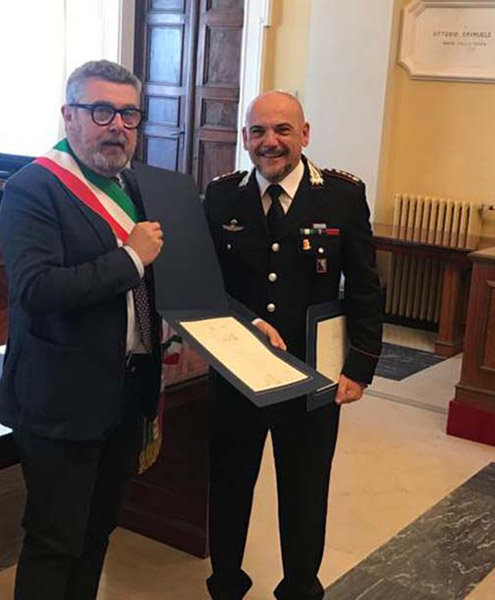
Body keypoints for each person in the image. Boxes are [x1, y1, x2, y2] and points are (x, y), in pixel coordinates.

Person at [0, 60, 164, 600]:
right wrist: (129, 259)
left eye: (129, 115)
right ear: (69, 116)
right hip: (60, 397)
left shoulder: (132, 183)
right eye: (101, 111)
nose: (117, 127)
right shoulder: (32, 189)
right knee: (56, 541)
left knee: (96, 534)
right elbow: (37, 290)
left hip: (125, 389)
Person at [203, 91, 383, 600]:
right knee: (229, 484)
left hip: (311, 377)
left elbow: (366, 287)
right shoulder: (221, 196)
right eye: (259, 131)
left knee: (305, 490)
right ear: (245, 138)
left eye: (283, 129)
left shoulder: (342, 196)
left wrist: (359, 367)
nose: (271, 141)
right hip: (237, 371)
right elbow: (206, 284)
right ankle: (226, 583)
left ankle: (301, 588)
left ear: (304, 135)